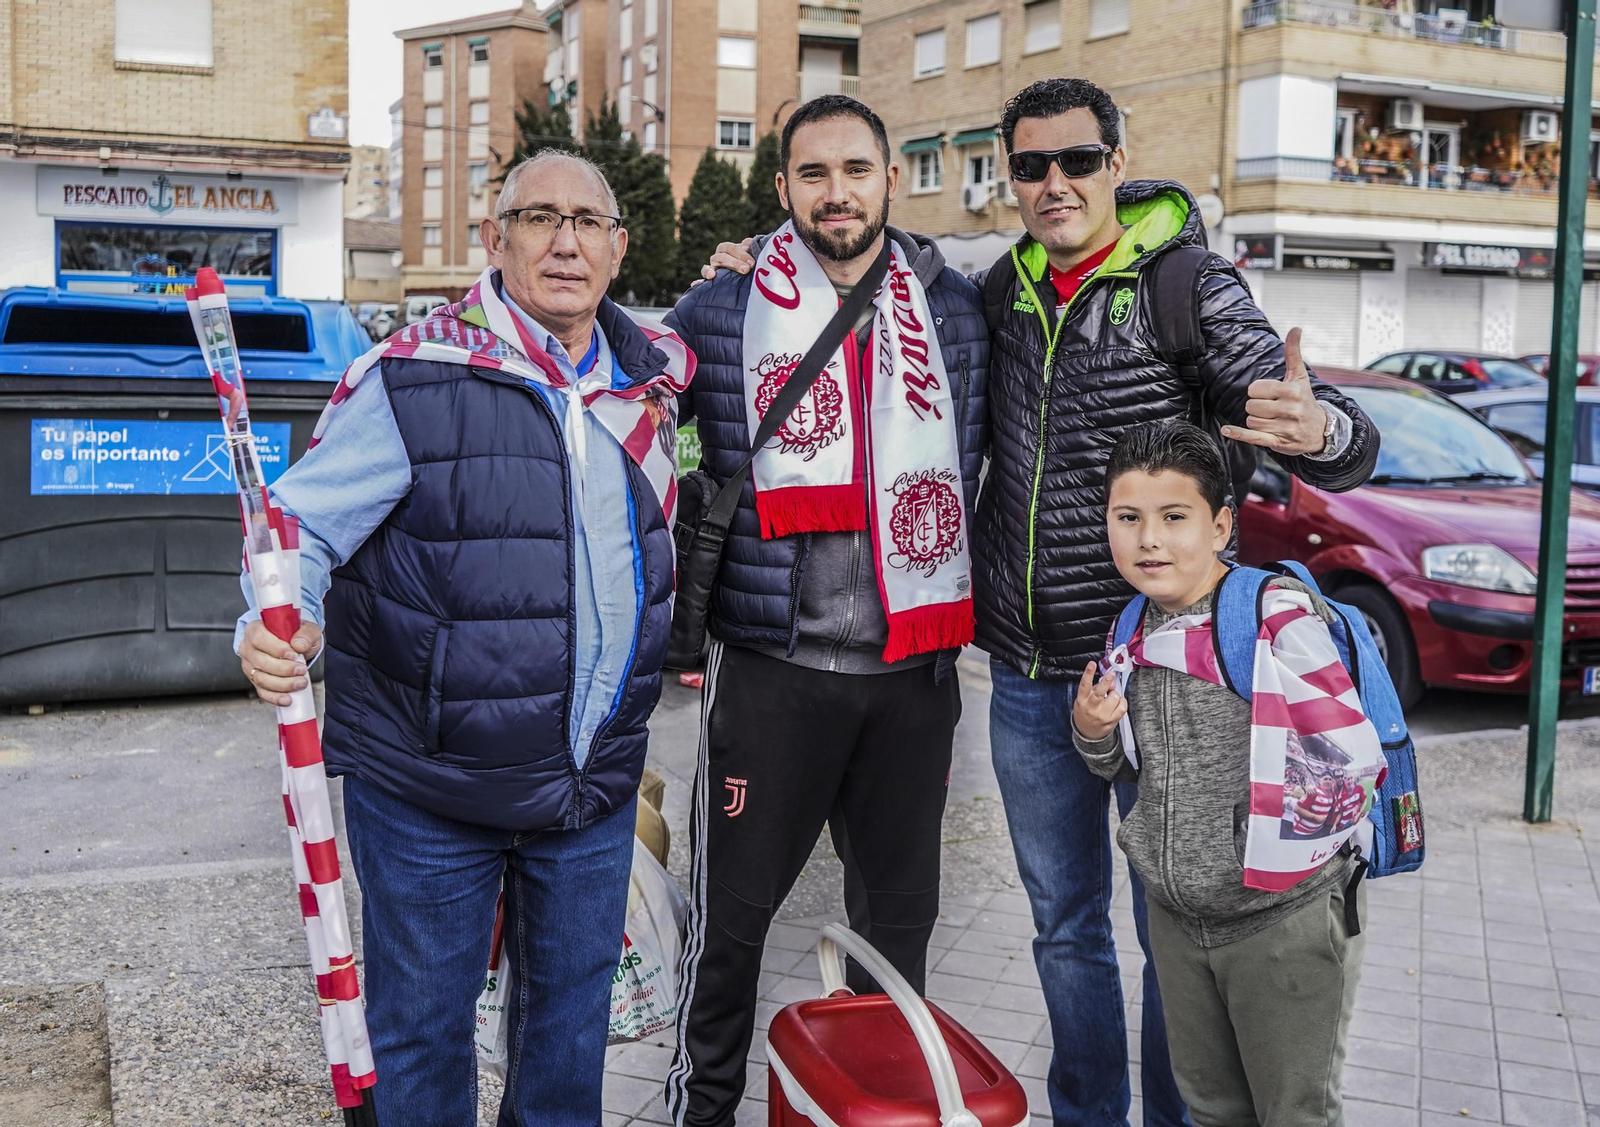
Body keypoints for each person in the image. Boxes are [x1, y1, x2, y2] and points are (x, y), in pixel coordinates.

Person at [699, 77, 1379, 1127]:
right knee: (1064, 926)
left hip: (1158, 667)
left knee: (1169, 923)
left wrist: (1325, 430)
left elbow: (1309, 420)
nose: (1052, 183)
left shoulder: (1185, 284)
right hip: (1022, 671)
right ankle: (1086, 1114)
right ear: (1004, 177)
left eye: (1075, 160)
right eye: (1028, 165)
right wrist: (754, 251)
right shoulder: (993, 291)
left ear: (1117, 161)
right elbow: (835, 243)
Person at [233, 151, 694, 1125]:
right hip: (431, 794)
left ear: (618, 247)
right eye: (538, 218)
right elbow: (296, 525)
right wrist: (277, 615)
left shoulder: (650, 386)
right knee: (421, 1044)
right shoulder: (411, 374)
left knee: (567, 1047)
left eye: (586, 222)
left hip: (591, 791)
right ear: (496, 239)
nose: (564, 240)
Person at [660, 94, 989, 1127]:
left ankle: (870, 1103)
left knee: (897, 928)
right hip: (772, 673)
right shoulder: (717, 310)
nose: (836, 192)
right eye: (813, 173)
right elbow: (623, 422)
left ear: (891, 177)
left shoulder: (956, 312)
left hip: (911, 676)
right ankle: (698, 1108)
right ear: (782, 190)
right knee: (729, 927)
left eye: (856, 169)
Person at [1073, 421, 1370, 1127]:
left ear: (1221, 524)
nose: (1150, 539)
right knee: (1209, 1110)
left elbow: (1348, 760)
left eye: (1175, 517)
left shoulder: (1275, 620)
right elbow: (1121, 765)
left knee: (1293, 1113)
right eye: (1129, 517)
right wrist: (1092, 731)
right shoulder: (1129, 630)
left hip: (1283, 925)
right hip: (1177, 923)